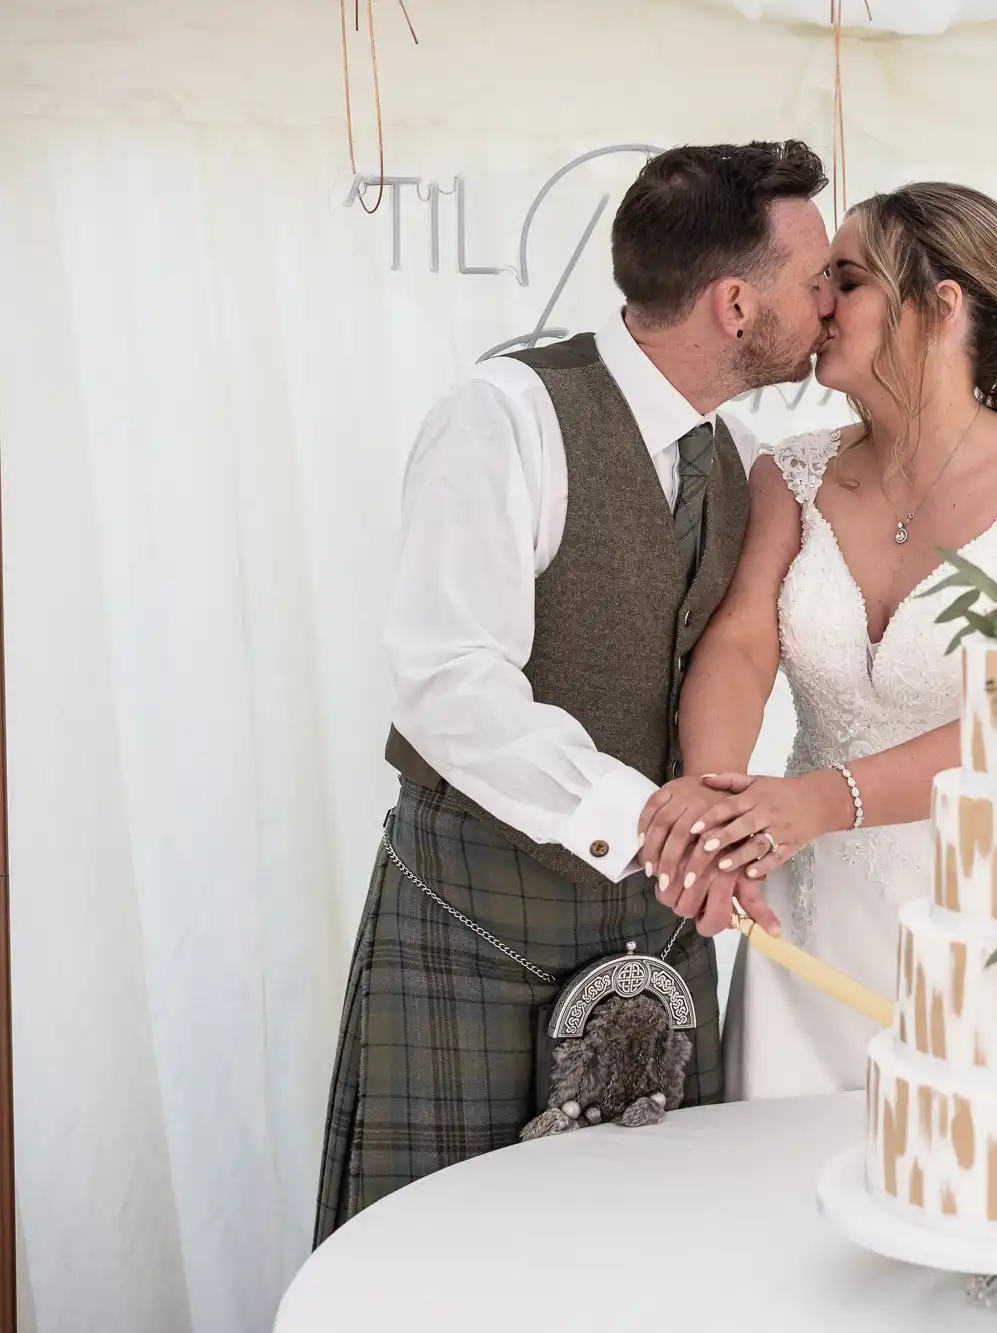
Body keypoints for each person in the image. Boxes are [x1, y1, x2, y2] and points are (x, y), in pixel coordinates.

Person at [314, 141, 833, 1242]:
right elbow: (447, 682)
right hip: (477, 909)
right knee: (438, 1257)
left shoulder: (737, 459)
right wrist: (647, 823)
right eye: (815, 277)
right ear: (736, 302)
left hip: (657, 930)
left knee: (639, 1253)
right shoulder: (505, 414)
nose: (829, 300)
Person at [635, 182, 997, 1096]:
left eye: (847, 282)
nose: (818, 305)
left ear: (942, 308)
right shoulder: (793, 474)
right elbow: (742, 642)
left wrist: (825, 798)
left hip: (983, 922)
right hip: (806, 916)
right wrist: (714, 807)